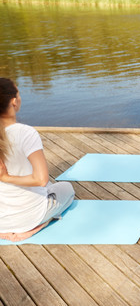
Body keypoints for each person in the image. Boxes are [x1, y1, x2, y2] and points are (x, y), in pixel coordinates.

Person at [0, 78, 75, 242]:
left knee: (48, 186)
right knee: (67, 190)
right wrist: (6, 178)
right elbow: (41, 180)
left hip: (2, 221)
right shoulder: (25, 133)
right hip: (29, 217)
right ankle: (36, 228)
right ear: (14, 102)